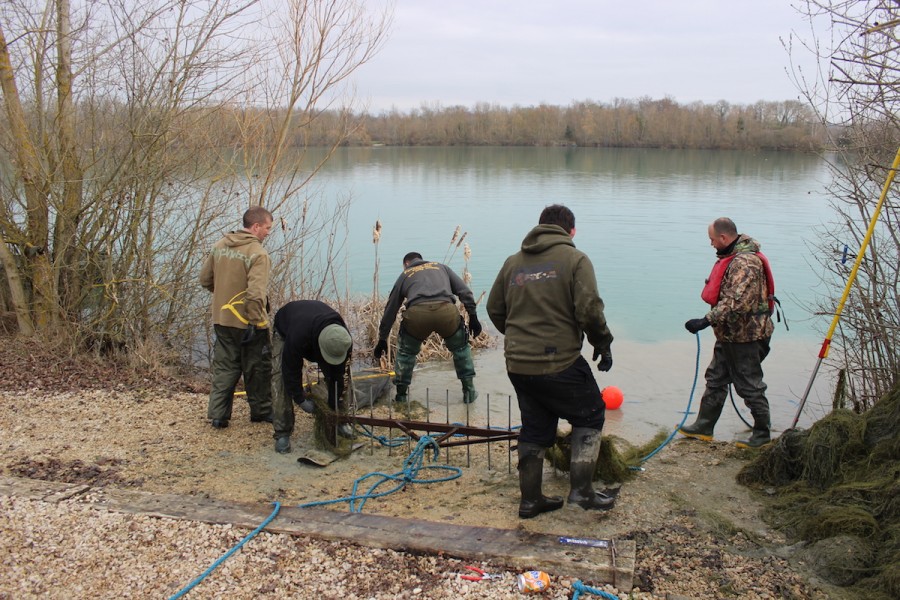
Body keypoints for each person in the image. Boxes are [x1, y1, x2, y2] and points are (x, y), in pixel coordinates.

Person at [487, 204, 615, 519]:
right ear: (571, 231)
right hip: (559, 361)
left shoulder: (513, 262)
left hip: (518, 363)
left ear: (540, 227)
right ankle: (582, 493)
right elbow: (589, 308)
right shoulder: (575, 259)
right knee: (591, 413)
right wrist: (603, 343)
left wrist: (519, 338)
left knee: (535, 427)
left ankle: (531, 501)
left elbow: (494, 309)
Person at [681, 217, 775, 448]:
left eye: (712, 240)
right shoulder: (732, 257)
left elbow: (737, 301)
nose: (711, 244)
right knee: (716, 378)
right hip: (729, 334)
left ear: (724, 238)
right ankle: (704, 426)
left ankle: (762, 435)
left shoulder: (746, 263)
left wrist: (705, 320)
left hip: (747, 337)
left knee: (749, 384)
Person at [199, 206, 274, 429]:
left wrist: (224, 292)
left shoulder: (219, 246)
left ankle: (219, 416)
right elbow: (255, 294)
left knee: (225, 366)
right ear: (256, 226)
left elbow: (205, 280)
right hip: (250, 323)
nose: (268, 232)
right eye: (267, 228)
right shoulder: (258, 254)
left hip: (222, 319)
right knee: (257, 368)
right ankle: (261, 412)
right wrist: (254, 321)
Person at [373, 252, 482, 404]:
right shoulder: (441, 267)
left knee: (406, 354)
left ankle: (401, 396)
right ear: (422, 259)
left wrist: (382, 338)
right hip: (446, 311)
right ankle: (469, 392)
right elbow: (465, 291)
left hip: (417, 315)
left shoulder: (405, 274)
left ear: (406, 264)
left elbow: (391, 309)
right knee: (460, 349)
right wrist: (473, 316)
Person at [271, 300, 353, 454]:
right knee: (280, 379)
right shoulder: (297, 335)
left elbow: (341, 376)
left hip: (318, 330)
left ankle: (341, 421)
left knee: (341, 380)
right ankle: (282, 432)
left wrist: (334, 407)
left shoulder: (343, 340)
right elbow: (290, 370)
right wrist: (300, 399)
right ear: (320, 348)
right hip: (286, 329)